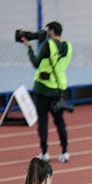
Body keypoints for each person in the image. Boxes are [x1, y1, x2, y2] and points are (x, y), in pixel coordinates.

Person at [23, 21, 73, 163]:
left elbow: (35, 63)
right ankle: (64, 152)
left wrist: (29, 47)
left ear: (51, 31)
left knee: (43, 122)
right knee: (60, 121)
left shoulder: (48, 45)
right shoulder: (68, 47)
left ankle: (44, 153)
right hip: (58, 89)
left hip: (43, 88)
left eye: (47, 30)